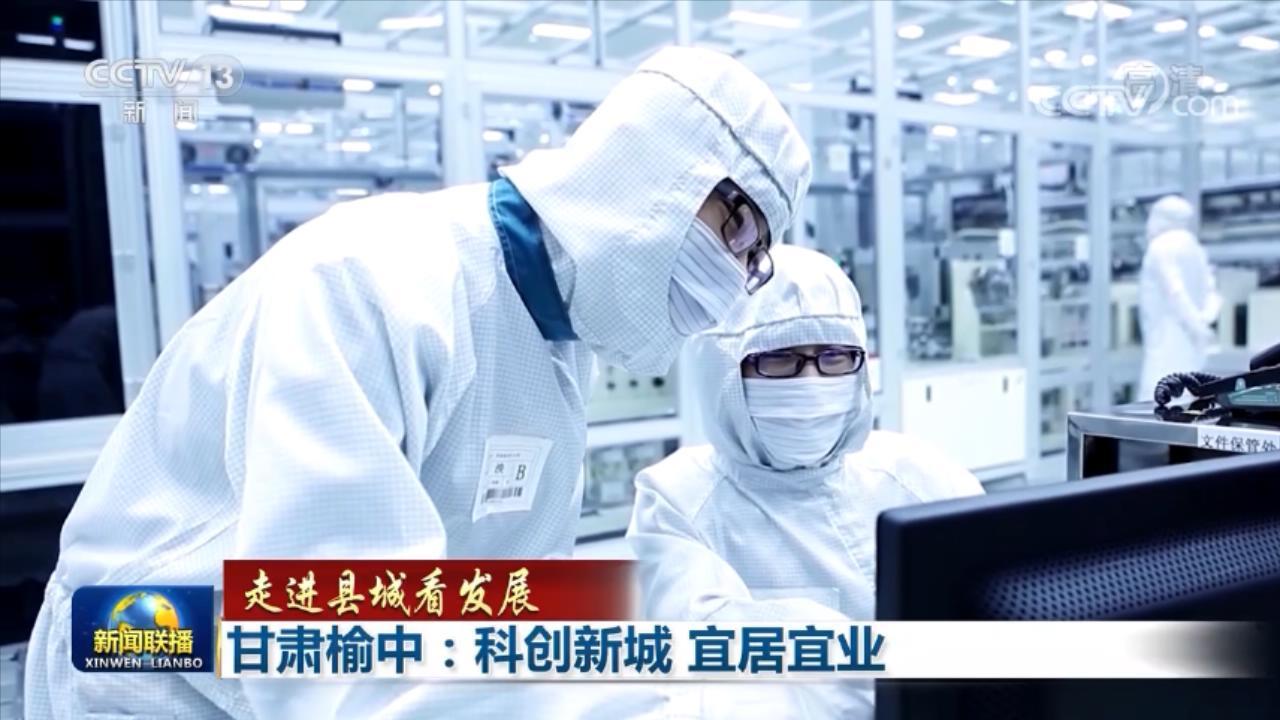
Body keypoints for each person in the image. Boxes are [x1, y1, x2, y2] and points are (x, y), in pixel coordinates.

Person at [25, 47, 811, 720]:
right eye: (740, 232)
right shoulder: (372, 284)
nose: (740, 277)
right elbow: (339, 656)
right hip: (150, 665)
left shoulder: (551, 340)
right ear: (658, 170)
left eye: (757, 258)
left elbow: (494, 600)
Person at [628, 246, 984, 719]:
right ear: (723, 368)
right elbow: (709, 638)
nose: (812, 381)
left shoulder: (917, 474)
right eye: (780, 359)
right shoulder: (676, 498)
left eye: (835, 357)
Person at [1138, 194, 1222, 396]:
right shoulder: (1194, 247)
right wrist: (1203, 324)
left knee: (1160, 394)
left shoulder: (1160, 246)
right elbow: (1212, 290)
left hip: (1167, 338)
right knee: (1191, 395)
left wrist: (1195, 325)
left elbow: (1175, 292)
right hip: (1192, 342)